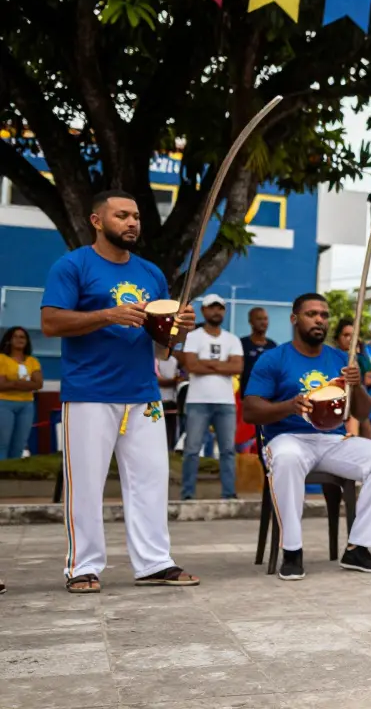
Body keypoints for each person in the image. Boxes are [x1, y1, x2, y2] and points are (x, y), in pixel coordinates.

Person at [40, 189, 200, 593]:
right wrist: (107, 315)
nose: (132, 223)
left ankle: (154, 563)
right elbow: (51, 323)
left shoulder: (151, 273)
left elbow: (163, 343)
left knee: (151, 480)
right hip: (89, 392)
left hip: (143, 392)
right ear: (97, 221)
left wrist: (179, 328)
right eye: (122, 216)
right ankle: (82, 566)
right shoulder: (72, 265)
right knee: (86, 484)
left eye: (136, 217)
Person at [242, 293, 371, 580]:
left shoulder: (341, 359)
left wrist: (357, 386)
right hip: (287, 438)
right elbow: (250, 410)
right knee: (288, 458)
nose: (319, 320)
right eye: (311, 314)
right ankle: (292, 551)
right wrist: (288, 406)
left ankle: (358, 547)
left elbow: (362, 413)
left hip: (332, 440)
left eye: (324, 315)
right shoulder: (274, 358)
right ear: (294, 319)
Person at [178, 294, 243, 500]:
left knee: (227, 450)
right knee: (191, 450)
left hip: (226, 403)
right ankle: (187, 494)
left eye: (220, 308)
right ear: (204, 311)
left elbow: (237, 367)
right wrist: (222, 365)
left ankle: (229, 494)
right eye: (212, 308)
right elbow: (191, 365)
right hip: (197, 402)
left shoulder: (232, 339)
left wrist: (205, 362)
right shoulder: (193, 337)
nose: (217, 312)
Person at [0, 326, 43, 459]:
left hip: (26, 405)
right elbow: (1, 385)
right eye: (16, 337)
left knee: (19, 444)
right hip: (4, 404)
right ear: (9, 340)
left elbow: (38, 384)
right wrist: (25, 384)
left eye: (22, 337)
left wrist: (14, 383)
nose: (19, 339)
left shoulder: (32, 361)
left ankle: (14, 470)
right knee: (3, 442)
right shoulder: (2, 359)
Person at [333, 318, 371, 439]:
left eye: (353, 335)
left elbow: (369, 381)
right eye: (346, 335)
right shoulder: (331, 357)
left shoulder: (362, 358)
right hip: (339, 404)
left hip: (357, 402)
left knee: (367, 434)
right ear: (337, 338)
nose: (350, 339)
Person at [239, 307, 277, 397]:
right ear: (250, 322)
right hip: (246, 396)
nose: (263, 322)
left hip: (267, 396)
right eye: (259, 319)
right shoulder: (241, 343)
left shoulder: (273, 345)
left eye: (265, 319)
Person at [155, 354, 181, 451]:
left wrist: (176, 380)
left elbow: (179, 377)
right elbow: (156, 380)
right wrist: (174, 381)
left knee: (170, 432)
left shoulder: (174, 360)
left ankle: (169, 452)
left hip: (171, 400)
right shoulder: (154, 359)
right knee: (155, 431)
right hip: (155, 401)